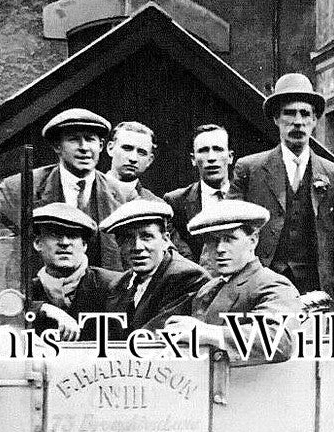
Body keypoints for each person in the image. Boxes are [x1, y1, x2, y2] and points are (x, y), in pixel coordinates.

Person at [228, 73, 334, 295]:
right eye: (289, 113)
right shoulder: (249, 169)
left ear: (314, 120)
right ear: (276, 118)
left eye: (305, 114)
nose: (298, 122)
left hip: (315, 286)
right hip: (262, 283)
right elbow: (231, 230)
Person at [0, 108, 137, 270]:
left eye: (90, 139)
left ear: (100, 146)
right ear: (57, 146)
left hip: (103, 291)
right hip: (41, 289)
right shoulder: (22, 185)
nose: (84, 147)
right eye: (73, 140)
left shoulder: (124, 195)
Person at [164, 200, 302, 362]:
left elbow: (279, 340)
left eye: (230, 239)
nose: (220, 249)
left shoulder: (272, 284)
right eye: (213, 240)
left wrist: (205, 332)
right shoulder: (207, 289)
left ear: (253, 240)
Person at [102, 199, 209, 335]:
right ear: (118, 244)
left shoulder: (187, 276)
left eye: (147, 236)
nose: (137, 247)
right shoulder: (120, 284)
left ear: (165, 240)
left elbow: (154, 336)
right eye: (128, 238)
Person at [26, 202, 119, 341]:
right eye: (54, 234)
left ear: (84, 245)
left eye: (73, 235)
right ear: (38, 243)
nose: (64, 242)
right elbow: (3, 310)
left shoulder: (111, 284)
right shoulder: (28, 291)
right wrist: (43, 308)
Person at [165, 124, 235, 260]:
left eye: (218, 149)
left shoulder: (248, 195)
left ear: (230, 157)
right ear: (193, 159)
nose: (211, 157)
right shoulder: (175, 202)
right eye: (203, 151)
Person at [105, 121, 162, 201]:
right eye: (127, 148)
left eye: (141, 153)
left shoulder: (157, 205)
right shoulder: (86, 191)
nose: (133, 158)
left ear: (150, 160)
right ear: (110, 148)